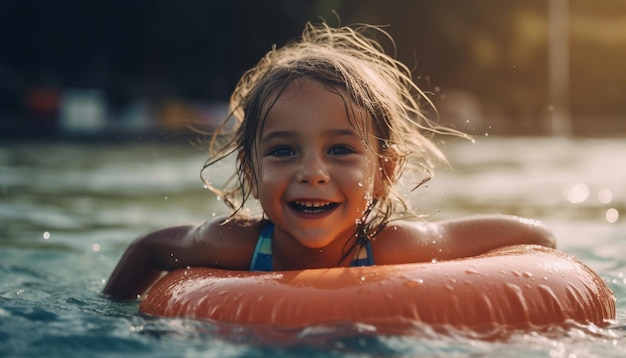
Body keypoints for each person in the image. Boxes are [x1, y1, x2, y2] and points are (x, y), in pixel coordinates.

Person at [102, 22, 555, 300]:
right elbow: (148, 249)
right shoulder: (234, 246)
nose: (312, 172)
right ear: (249, 170)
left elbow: (533, 236)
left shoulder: (396, 247)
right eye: (282, 151)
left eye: (340, 149)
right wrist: (114, 315)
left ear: (385, 172)